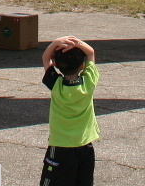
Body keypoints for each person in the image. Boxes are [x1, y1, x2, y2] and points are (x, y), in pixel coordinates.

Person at [39, 35, 99, 186]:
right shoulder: (89, 82)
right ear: (82, 66)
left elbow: (45, 57)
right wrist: (77, 43)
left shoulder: (56, 84)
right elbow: (91, 53)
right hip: (85, 145)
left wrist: (56, 42)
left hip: (60, 146)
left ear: (56, 65)